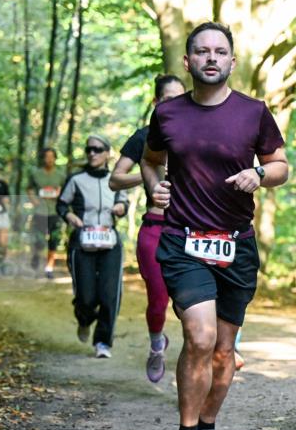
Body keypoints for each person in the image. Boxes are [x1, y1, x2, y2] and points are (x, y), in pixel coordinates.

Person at [142, 22, 288, 430]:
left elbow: (281, 165)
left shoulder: (254, 112)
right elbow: (150, 161)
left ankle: (208, 428)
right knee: (200, 338)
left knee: (224, 351)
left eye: (219, 51)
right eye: (202, 52)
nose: (211, 58)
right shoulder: (168, 115)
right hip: (184, 241)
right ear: (187, 62)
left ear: (231, 61)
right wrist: (155, 189)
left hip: (236, 245)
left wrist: (261, 176)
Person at [109, 74, 186, 382]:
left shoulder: (196, 134)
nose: (174, 105)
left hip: (190, 229)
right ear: (156, 103)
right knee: (158, 298)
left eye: (180, 99)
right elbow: (115, 179)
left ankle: (195, 371)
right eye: (168, 99)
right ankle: (157, 343)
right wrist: (149, 171)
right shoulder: (144, 136)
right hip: (155, 227)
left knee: (190, 305)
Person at [57, 136, 129, 359]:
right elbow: (61, 204)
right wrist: (70, 217)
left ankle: (103, 342)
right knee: (86, 296)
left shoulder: (116, 180)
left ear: (107, 153)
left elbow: (124, 203)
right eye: (89, 149)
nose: (92, 154)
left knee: (110, 295)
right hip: (83, 240)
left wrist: (120, 207)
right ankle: (84, 318)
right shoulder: (76, 179)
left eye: (98, 150)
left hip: (109, 241)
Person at [27, 147, 66, 278]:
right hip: (40, 212)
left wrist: (59, 195)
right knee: (39, 240)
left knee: (53, 241)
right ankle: (36, 256)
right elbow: (29, 189)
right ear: (43, 158)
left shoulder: (61, 176)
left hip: (55, 212)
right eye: (46, 156)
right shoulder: (36, 174)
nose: (49, 159)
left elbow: (65, 191)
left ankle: (49, 268)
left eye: (51, 156)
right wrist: (34, 201)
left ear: (55, 158)